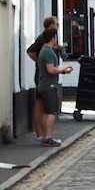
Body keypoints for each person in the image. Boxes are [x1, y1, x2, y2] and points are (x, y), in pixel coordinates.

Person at [35, 28, 73, 146]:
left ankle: (45, 138)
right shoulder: (48, 52)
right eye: (56, 37)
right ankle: (48, 137)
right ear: (53, 38)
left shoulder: (44, 50)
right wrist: (63, 71)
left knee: (47, 112)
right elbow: (50, 69)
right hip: (49, 85)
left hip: (43, 85)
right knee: (52, 112)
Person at [26, 15, 59, 143]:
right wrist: (41, 63)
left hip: (44, 77)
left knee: (43, 106)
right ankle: (41, 136)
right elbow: (30, 51)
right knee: (40, 105)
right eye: (56, 24)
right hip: (43, 78)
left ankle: (44, 136)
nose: (58, 26)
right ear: (51, 26)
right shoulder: (43, 38)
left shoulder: (47, 40)